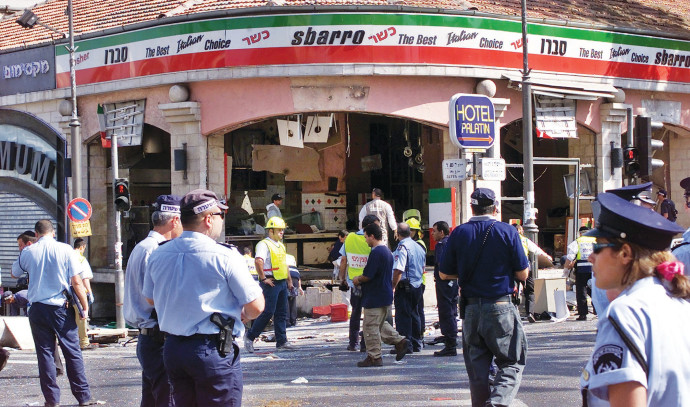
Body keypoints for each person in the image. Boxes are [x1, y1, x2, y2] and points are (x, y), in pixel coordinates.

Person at [143, 189, 264, 406]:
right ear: (208, 219)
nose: (221, 221)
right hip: (211, 350)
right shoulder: (225, 255)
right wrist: (243, 314)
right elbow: (256, 305)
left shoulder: (158, 253)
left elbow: (150, 299)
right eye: (220, 215)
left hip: (173, 348)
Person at [580, 192, 690, 406]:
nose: (590, 256)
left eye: (598, 247)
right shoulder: (678, 303)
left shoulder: (625, 312)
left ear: (625, 254)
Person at [440, 188, 529, 407]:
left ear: (471, 207)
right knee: (512, 361)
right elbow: (523, 273)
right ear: (495, 207)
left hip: (470, 308)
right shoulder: (508, 231)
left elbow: (443, 273)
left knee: (477, 372)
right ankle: (498, 402)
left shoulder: (458, 233)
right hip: (501, 305)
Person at [11, 219, 96, 407]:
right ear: (53, 233)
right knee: (72, 352)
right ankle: (83, 397)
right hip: (60, 308)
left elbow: (14, 273)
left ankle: (51, 400)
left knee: (45, 354)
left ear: (36, 233)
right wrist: (84, 307)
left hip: (37, 309)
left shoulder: (28, 251)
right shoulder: (66, 250)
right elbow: (76, 282)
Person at [123, 194, 182, 407]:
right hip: (157, 337)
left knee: (152, 399)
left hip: (150, 337)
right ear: (175, 220)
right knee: (166, 399)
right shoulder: (157, 250)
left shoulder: (143, 246)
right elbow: (158, 297)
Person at [352, 223, 410, 367]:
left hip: (374, 296)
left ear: (372, 236)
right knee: (380, 324)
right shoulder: (388, 251)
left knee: (370, 326)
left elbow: (368, 275)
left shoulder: (376, 252)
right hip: (385, 294)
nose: (365, 240)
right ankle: (400, 341)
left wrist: (357, 279)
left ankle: (374, 356)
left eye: (366, 237)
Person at [244, 216, 294, 352]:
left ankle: (282, 341)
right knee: (267, 312)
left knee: (281, 313)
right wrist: (264, 278)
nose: (281, 233)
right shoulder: (264, 244)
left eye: (282, 230)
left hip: (281, 281)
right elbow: (258, 261)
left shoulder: (281, 246)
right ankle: (250, 336)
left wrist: (289, 281)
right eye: (279, 230)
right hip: (271, 283)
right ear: (270, 231)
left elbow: (285, 265)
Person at [339, 214, 380, 352]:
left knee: (355, 313)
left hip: (354, 283)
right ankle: (364, 344)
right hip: (369, 282)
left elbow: (343, 260)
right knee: (368, 315)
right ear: (369, 226)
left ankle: (353, 343)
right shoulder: (372, 240)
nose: (378, 229)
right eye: (376, 225)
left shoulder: (349, 238)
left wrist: (342, 279)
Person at [392, 222, 426, 353]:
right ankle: (416, 343)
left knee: (403, 316)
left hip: (405, 286)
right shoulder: (418, 246)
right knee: (414, 314)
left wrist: (392, 286)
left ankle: (405, 345)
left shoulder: (402, 247)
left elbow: (398, 270)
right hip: (417, 285)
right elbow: (423, 268)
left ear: (397, 234)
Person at [513, 223, 552, 323]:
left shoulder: (508, 239)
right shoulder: (525, 240)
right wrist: (546, 256)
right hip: (525, 269)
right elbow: (536, 249)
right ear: (520, 231)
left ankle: (514, 311)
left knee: (513, 290)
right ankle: (529, 312)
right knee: (530, 291)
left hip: (512, 269)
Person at [429, 221, 458, 357]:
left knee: (446, 312)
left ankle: (450, 344)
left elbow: (441, 265)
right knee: (451, 311)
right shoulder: (452, 243)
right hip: (452, 282)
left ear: (441, 232)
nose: (432, 233)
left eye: (434, 231)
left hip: (444, 283)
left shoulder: (441, 245)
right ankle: (449, 338)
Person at [565, 226, 596, 321]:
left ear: (580, 233)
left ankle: (583, 314)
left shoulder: (578, 241)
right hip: (594, 269)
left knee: (581, 291)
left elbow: (570, 257)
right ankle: (598, 310)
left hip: (581, 270)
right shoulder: (595, 241)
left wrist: (565, 271)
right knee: (594, 290)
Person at [406, 217, 427, 341]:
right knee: (416, 309)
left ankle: (419, 334)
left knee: (417, 309)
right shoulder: (416, 243)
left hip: (418, 281)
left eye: (412, 231)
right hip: (417, 280)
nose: (410, 233)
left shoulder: (418, 244)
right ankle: (418, 334)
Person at [73, 238, 94, 350]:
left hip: (66, 292)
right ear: (82, 247)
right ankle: (84, 342)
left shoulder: (68, 256)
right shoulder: (81, 259)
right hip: (78, 292)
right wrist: (89, 292)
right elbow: (85, 278)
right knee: (82, 316)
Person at [285, 254, 303, 327]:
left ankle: (287, 321)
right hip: (295, 277)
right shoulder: (292, 258)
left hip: (286, 276)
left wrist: (289, 281)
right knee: (292, 299)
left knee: (285, 300)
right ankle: (293, 320)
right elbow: (298, 277)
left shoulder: (280, 257)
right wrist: (300, 287)